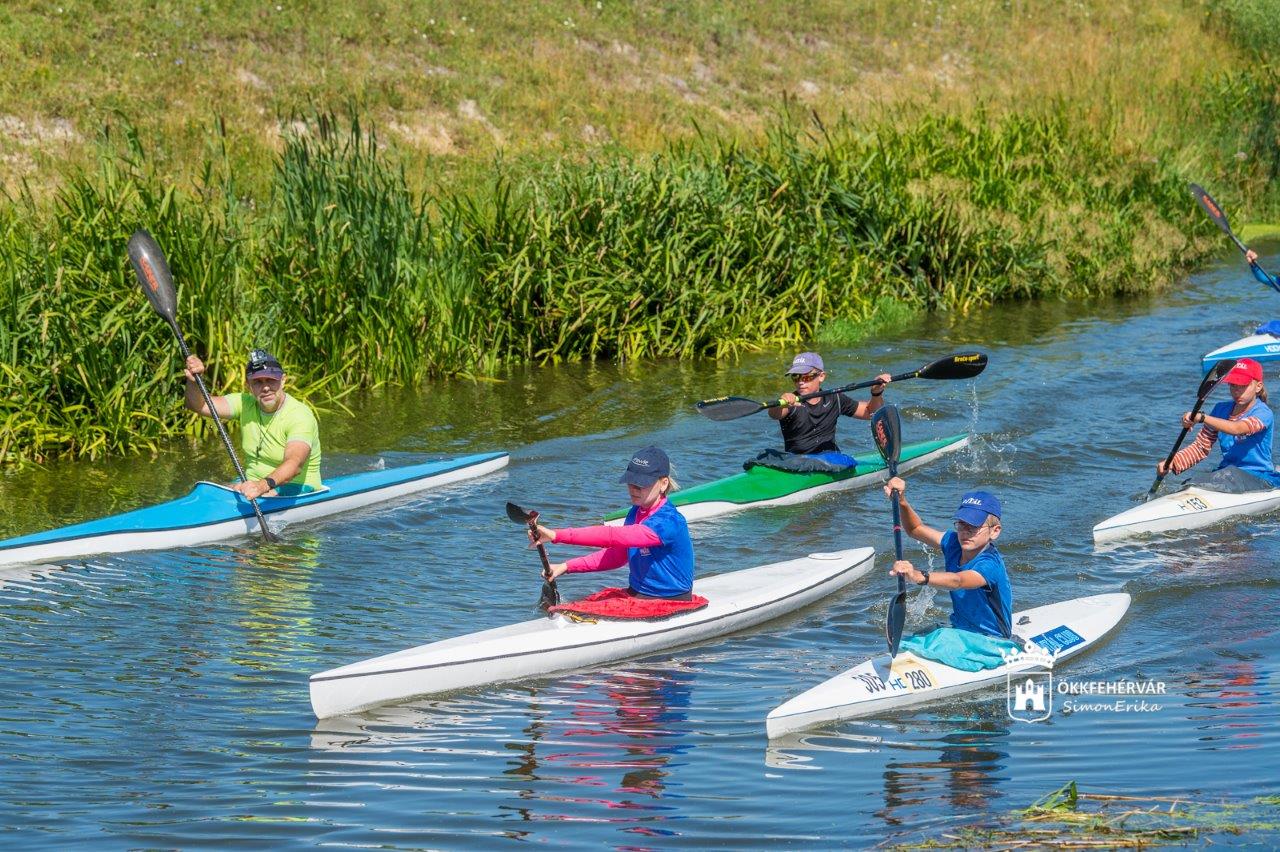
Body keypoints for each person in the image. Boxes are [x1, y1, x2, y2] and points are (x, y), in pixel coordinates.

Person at [528, 447, 695, 599]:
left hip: (671, 599)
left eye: (641, 484)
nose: (633, 488)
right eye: (631, 481)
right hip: (638, 593)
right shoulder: (635, 512)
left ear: (663, 483)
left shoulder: (668, 522)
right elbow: (617, 555)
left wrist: (556, 535)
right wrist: (565, 566)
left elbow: (611, 536)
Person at [882, 475, 1012, 639]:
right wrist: (902, 501)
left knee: (919, 643)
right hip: (959, 629)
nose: (965, 532)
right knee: (914, 638)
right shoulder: (953, 542)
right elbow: (915, 529)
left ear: (995, 531)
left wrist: (918, 576)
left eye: (974, 526)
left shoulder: (990, 564)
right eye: (962, 524)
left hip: (992, 639)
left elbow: (958, 581)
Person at [184, 348, 323, 499]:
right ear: (248, 385)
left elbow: (294, 463)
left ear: (283, 380)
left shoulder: (299, 415)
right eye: (257, 382)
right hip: (252, 483)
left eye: (271, 380)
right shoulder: (244, 403)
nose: (265, 388)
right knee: (210, 492)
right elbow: (199, 406)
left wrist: (262, 486)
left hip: (294, 486)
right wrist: (193, 381)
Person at [1156, 357, 1280, 487]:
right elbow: (1201, 447)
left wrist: (1202, 417)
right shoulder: (1220, 409)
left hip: (1258, 476)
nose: (1236, 391)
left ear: (1258, 386)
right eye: (1233, 385)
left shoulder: (1263, 413)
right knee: (1189, 483)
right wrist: (1173, 463)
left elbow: (1237, 428)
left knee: (1226, 475)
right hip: (1227, 474)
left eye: (1243, 386)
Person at [768, 352, 891, 455]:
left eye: (806, 377)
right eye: (795, 377)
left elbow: (870, 413)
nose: (800, 382)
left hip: (831, 461)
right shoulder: (790, 403)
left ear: (821, 376)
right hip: (797, 463)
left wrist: (876, 392)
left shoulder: (834, 398)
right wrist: (781, 403)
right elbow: (774, 414)